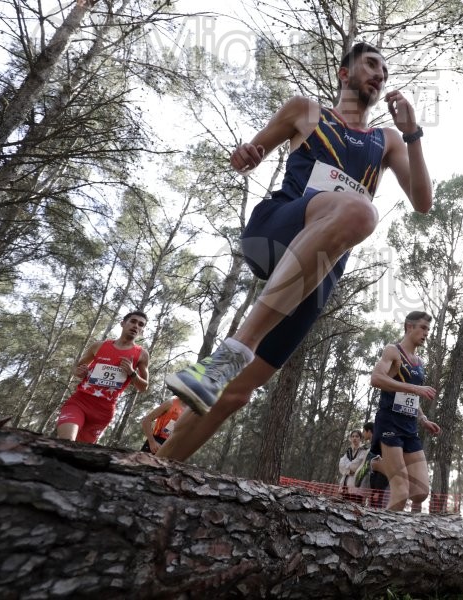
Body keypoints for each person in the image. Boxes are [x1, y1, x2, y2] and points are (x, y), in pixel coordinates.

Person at [157, 42, 431, 462]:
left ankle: (157, 466)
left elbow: (423, 202)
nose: (380, 74)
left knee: (238, 393)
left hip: (320, 266)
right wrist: (244, 155)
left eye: (385, 72)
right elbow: (250, 154)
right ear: (344, 74)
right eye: (372, 65)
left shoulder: (387, 139)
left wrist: (413, 135)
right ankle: (235, 348)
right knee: (361, 211)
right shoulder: (307, 111)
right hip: (277, 229)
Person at [365, 310, 441, 511]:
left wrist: (423, 418)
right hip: (389, 423)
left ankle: (379, 464)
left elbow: (411, 398)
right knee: (400, 491)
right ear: (409, 326)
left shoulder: (420, 363)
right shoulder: (393, 351)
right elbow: (376, 378)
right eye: (423, 328)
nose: (426, 333)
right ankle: (385, 539)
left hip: (409, 426)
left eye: (428, 329)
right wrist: (416, 388)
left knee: (420, 492)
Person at [56, 311, 150, 444]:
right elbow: (77, 368)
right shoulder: (99, 346)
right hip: (80, 402)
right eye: (133, 321)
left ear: (142, 331)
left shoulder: (142, 355)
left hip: (103, 411)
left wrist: (132, 373)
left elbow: (144, 387)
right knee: (66, 442)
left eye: (141, 324)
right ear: (123, 323)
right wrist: (80, 372)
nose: (136, 326)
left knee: (80, 452)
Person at [361, 421, 389, 507]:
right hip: (373, 485)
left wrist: (378, 490)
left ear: (369, 431)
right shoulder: (373, 444)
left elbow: (383, 466)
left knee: (377, 506)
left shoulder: (379, 443)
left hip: (380, 486)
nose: (362, 434)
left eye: (363, 431)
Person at [338, 430, 367, 504]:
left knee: (355, 507)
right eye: (353, 436)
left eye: (357, 436)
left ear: (360, 438)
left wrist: (347, 466)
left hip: (356, 485)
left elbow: (356, 465)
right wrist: (348, 471)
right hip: (345, 484)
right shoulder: (349, 451)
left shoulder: (364, 450)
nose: (354, 438)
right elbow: (341, 464)